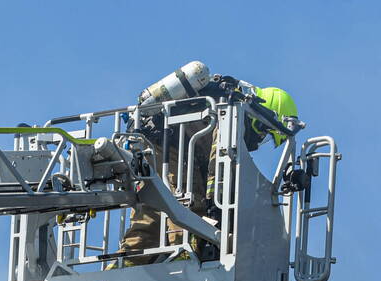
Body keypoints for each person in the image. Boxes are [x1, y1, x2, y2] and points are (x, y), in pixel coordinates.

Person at [112, 79, 297, 267]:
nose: (259, 140)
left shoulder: (221, 100)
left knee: (149, 218)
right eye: (265, 134)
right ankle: (183, 256)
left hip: (147, 146)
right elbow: (220, 164)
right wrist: (216, 205)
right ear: (263, 120)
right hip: (172, 149)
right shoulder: (233, 114)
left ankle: (122, 265)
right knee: (188, 204)